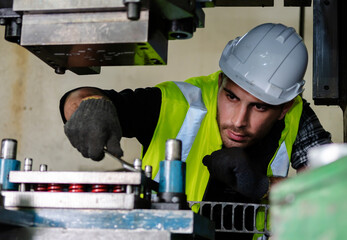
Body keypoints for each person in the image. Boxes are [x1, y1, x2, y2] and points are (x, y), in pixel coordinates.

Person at [60, 23, 332, 239]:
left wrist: (264, 186)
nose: (239, 121)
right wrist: (89, 110)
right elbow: (82, 97)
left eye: (259, 108)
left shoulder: (298, 118)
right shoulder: (175, 102)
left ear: (284, 107)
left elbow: (333, 194)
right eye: (232, 97)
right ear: (222, 79)